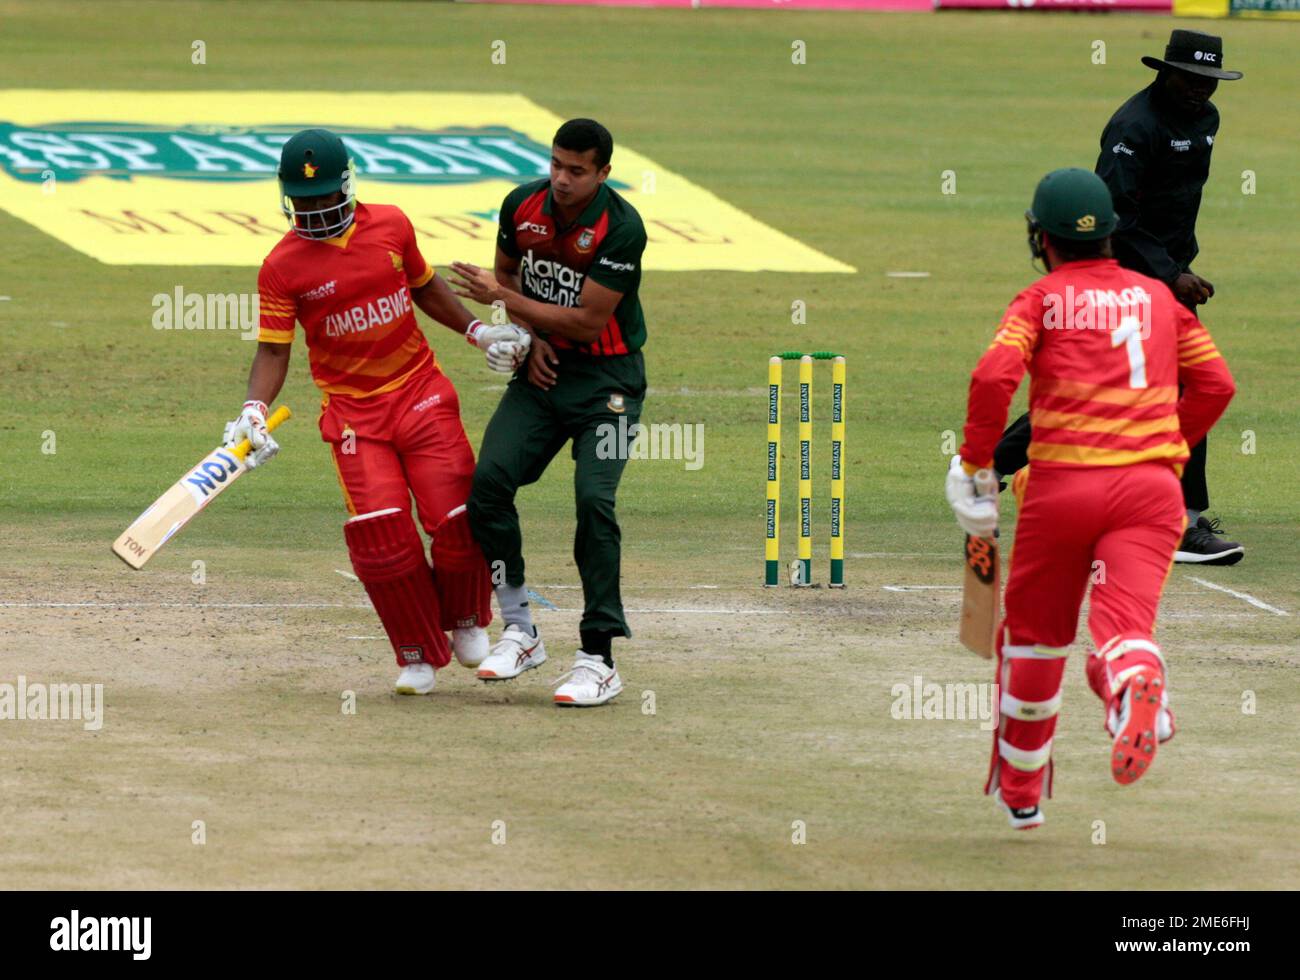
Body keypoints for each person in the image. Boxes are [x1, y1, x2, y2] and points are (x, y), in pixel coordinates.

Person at [946, 168, 1235, 830]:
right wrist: (1166, 449)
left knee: (1037, 645)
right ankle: (1133, 689)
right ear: (1108, 234)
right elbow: (1217, 385)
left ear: (1040, 237)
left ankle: (1022, 794)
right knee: (1124, 629)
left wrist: (975, 463)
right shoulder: (1162, 300)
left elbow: (994, 375)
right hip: (1152, 494)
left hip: (1062, 493)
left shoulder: (1041, 300)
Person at [225, 128, 530, 696]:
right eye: (302, 201)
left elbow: (425, 286)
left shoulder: (391, 224)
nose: (313, 211)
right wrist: (252, 409)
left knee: (458, 518)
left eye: (322, 198)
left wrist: (477, 330)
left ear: (347, 184)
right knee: (382, 537)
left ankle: (465, 620)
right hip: (354, 420)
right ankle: (416, 654)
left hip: (421, 394)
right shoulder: (281, 266)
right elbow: (273, 349)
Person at [992, 30, 1245, 565]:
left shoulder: (1206, 119)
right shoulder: (1134, 126)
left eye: (1211, 81)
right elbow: (1118, 213)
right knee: (1159, 384)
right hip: (1132, 275)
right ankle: (1182, 521)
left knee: (1130, 384)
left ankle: (989, 469)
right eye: (1192, 79)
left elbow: (1177, 204)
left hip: (1172, 275)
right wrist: (1168, 273)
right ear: (1166, 72)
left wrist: (1181, 268)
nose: (1202, 90)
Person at [448, 118, 648, 707]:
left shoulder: (621, 228)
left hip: (610, 386)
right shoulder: (522, 204)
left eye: (577, 170)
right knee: (487, 485)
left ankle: (599, 658)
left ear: (603, 173)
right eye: (556, 163)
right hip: (543, 374)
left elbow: (587, 320)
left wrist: (504, 303)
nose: (561, 178)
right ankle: (520, 628)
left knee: (594, 500)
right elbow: (508, 272)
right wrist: (528, 338)